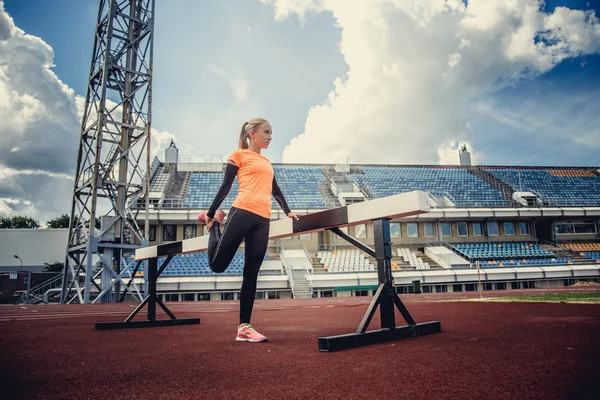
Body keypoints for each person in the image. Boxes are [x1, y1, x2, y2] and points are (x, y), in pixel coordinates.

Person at [200, 117, 299, 343]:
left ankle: (244, 327)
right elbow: (225, 186)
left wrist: (288, 211)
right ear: (251, 134)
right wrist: (210, 213)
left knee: (251, 274)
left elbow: (276, 190)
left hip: (263, 220)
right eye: (266, 132)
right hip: (242, 212)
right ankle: (215, 222)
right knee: (217, 265)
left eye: (271, 132)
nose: (270, 136)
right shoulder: (239, 155)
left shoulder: (267, 163)